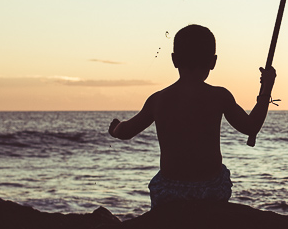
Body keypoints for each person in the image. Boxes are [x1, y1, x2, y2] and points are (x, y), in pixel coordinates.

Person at [108, 24, 276, 207]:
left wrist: (115, 128)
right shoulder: (220, 96)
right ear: (213, 62)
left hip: (170, 192)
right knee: (223, 173)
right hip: (211, 191)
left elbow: (126, 132)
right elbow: (251, 126)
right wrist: (267, 88)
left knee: (159, 181)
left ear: (174, 60)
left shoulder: (158, 99)